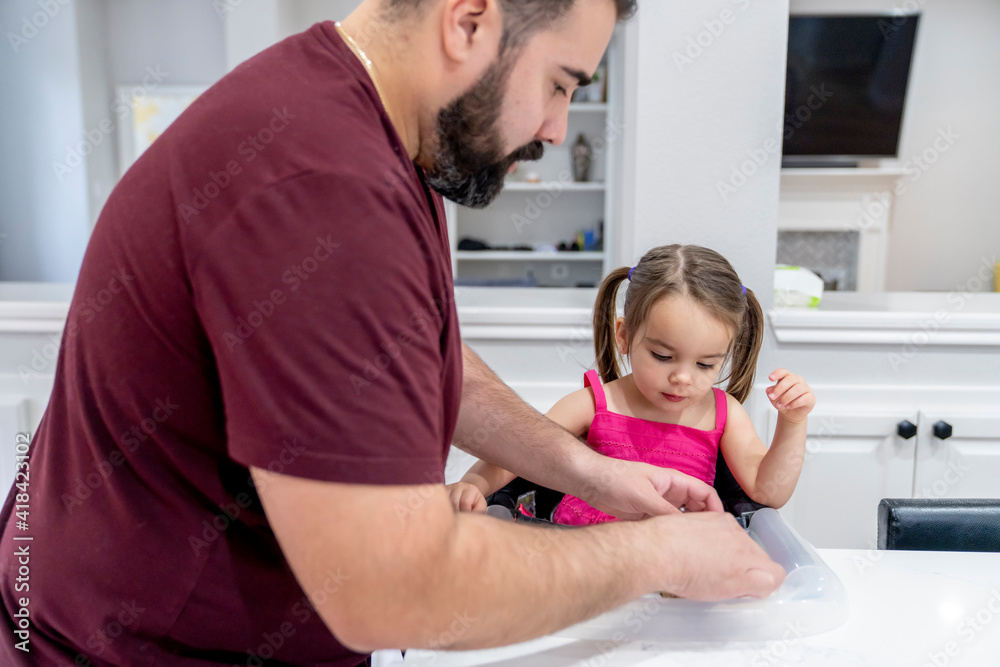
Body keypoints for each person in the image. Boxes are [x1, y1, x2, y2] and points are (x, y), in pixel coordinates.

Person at [0, 1, 785, 665]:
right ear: (470, 18)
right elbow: (391, 585)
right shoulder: (324, 188)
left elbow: (408, 351)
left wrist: (590, 472)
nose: (555, 127)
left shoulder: (372, 130)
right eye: (560, 83)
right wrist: (660, 554)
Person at [449, 244, 816, 524]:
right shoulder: (595, 403)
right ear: (624, 336)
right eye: (662, 356)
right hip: (581, 560)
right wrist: (474, 485)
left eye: (706, 364)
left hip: (679, 575)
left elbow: (769, 491)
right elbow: (518, 445)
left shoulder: (723, 414)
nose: (683, 377)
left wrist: (793, 422)